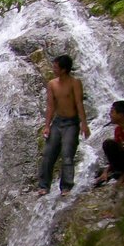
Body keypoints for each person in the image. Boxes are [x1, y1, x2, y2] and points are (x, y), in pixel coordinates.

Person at [38, 54, 91, 196]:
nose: (53, 69)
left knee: (67, 155)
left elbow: (79, 103)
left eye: (56, 67)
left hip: (71, 123)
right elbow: (50, 106)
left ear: (64, 69)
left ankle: (66, 187)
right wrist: (47, 125)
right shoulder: (52, 84)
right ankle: (44, 186)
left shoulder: (75, 83)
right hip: (58, 121)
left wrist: (84, 124)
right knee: (48, 154)